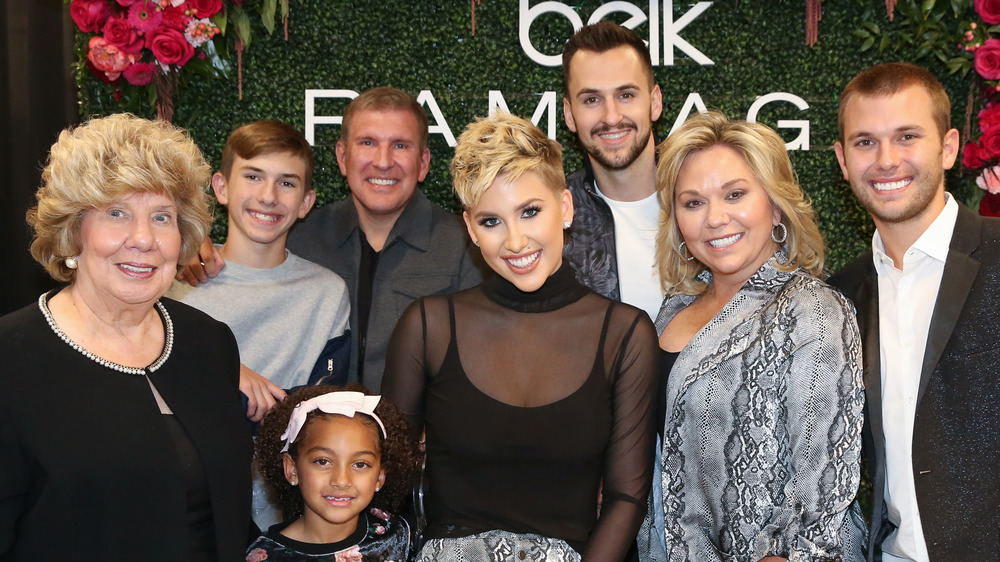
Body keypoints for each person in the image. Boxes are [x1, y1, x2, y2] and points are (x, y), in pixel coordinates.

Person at [382, 112, 658, 561]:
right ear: (470, 228)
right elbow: (386, 478)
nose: (515, 241)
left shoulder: (624, 335)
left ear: (565, 208)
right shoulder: (428, 327)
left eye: (530, 212)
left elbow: (627, 498)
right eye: (492, 222)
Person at [0, 113, 251, 561]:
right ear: (74, 232)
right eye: (116, 214)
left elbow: (225, 511)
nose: (143, 239)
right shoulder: (9, 358)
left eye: (161, 217)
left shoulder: (208, 343)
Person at [640, 111, 866, 562]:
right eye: (693, 202)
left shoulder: (814, 311)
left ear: (776, 204)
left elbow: (823, 484)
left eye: (735, 194)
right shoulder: (672, 310)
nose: (715, 218)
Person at [180, 87, 484, 391]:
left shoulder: (464, 245)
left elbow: (480, 358)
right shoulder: (299, 235)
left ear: (423, 163)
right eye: (367, 142)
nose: (382, 161)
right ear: (342, 156)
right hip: (310, 431)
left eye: (400, 145)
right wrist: (186, 246)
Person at [830, 62, 1000, 561]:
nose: (886, 160)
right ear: (841, 160)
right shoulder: (840, 296)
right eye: (865, 142)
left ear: (948, 147)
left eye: (906, 136)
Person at [167, 120, 352, 530]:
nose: (268, 197)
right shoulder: (176, 279)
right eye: (253, 176)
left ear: (306, 203)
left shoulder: (326, 292)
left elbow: (318, 407)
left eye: (287, 183)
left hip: (286, 504)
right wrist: (226, 369)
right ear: (221, 187)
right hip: (187, 499)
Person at [562, 21, 664, 319]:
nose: (611, 117)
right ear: (570, 114)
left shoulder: (710, 203)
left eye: (626, 95)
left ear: (654, 102)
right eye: (592, 99)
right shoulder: (553, 219)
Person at [247, 385, 419, 561]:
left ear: (380, 476)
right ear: (292, 469)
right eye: (323, 461)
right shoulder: (266, 556)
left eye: (360, 464)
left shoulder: (395, 534)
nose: (341, 480)